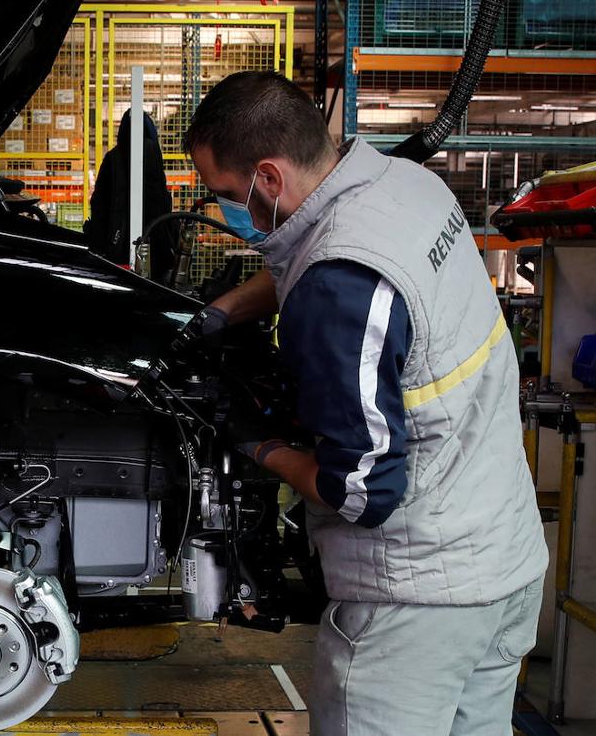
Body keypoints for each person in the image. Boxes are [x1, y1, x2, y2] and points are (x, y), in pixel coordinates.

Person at [181, 71, 547, 736]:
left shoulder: (337, 290)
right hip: (503, 561)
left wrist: (259, 446)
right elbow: (317, 251)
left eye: (226, 195)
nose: (227, 210)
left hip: (416, 605)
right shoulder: (401, 185)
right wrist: (220, 314)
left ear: (267, 176)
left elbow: (360, 493)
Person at [84, 112, 178, 280]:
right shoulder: (152, 151)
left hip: (115, 246)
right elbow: (159, 201)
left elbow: (99, 202)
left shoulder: (113, 156)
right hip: (154, 246)